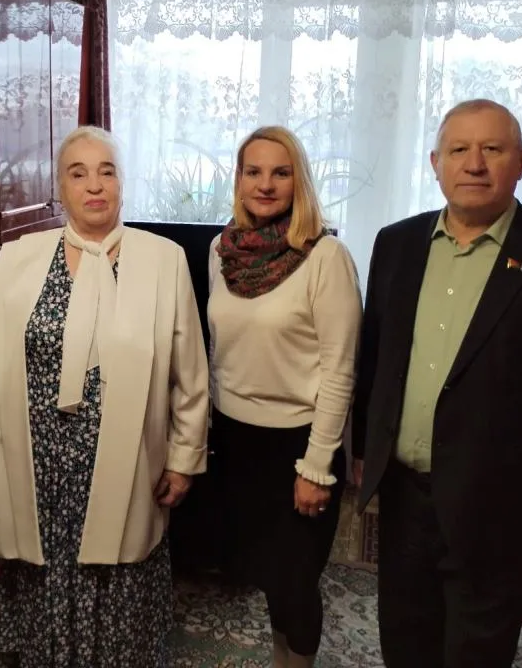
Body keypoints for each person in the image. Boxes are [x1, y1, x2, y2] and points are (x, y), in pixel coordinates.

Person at [353, 99, 522, 668]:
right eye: (458, 150)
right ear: (436, 163)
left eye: (492, 149)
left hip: (501, 508)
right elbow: (375, 359)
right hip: (405, 500)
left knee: (475, 653)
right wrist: (362, 453)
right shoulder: (396, 244)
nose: (474, 164)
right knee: (404, 643)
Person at [0, 125, 209, 667]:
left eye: (107, 171)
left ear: (123, 183)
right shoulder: (18, 258)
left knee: (120, 563)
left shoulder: (163, 260)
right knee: (40, 571)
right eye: (78, 173)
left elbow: (190, 372)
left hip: (127, 461)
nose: (94, 186)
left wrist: (184, 458)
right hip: (38, 465)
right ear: (60, 187)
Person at [207, 126, 363, 668]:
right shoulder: (221, 250)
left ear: (300, 181)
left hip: (298, 446)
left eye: (281, 172)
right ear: (239, 180)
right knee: (267, 577)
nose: (266, 184)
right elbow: (219, 350)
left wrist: (316, 466)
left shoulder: (326, 256)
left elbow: (340, 370)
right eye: (253, 172)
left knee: (296, 584)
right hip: (236, 441)